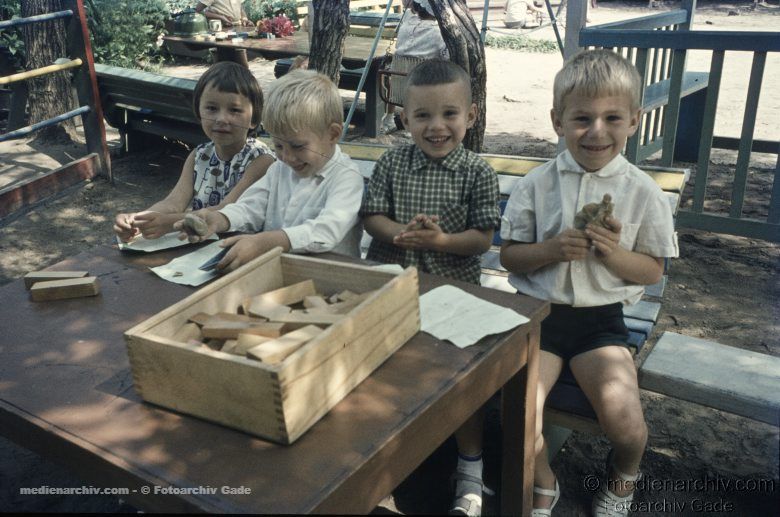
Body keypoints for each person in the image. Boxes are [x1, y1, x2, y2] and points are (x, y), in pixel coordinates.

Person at [499, 49, 678, 517]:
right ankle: (544, 482)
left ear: (634, 121)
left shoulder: (643, 193)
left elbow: (654, 271)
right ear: (558, 121)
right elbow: (510, 254)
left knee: (627, 425)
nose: (597, 131)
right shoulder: (536, 185)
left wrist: (614, 254)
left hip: (601, 323)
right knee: (518, 415)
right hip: (538, 315)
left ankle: (623, 476)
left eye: (612, 117)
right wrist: (552, 250)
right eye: (582, 118)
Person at [361, 59, 500, 517]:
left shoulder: (477, 173)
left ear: (471, 116)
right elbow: (372, 217)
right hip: (393, 286)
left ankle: (470, 466)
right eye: (422, 116)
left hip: (454, 293)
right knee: (383, 373)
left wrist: (441, 240)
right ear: (405, 119)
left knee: (461, 383)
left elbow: (481, 238)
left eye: (449, 114)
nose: (436, 126)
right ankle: (388, 457)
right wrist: (399, 232)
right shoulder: (392, 162)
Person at [175, 69, 365, 272]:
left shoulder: (346, 178)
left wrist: (266, 241)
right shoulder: (278, 170)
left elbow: (326, 231)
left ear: (333, 134)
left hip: (330, 277)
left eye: (298, 146)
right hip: (278, 272)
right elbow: (250, 207)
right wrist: (220, 219)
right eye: (279, 146)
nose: (288, 157)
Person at [113, 61, 274, 243]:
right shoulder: (199, 156)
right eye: (212, 108)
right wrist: (137, 220)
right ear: (198, 111)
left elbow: (226, 208)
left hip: (243, 248)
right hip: (200, 245)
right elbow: (173, 203)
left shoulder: (261, 160)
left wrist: (167, 223)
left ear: (254, 119)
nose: (221, 119)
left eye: (235, 110)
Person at [381, 0, 449, 134]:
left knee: (397, 73)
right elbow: (446, 57)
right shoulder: (439, 32)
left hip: (399, 86)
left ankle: (389, 118)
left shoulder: (405, 24)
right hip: (423, 86)